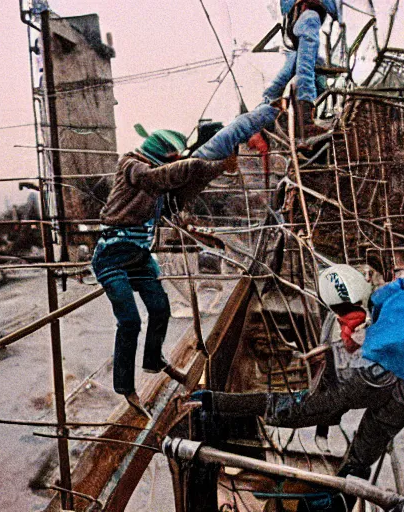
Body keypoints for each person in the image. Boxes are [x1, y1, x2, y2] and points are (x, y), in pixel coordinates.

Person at [191, 264, 404, 511]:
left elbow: (354, 338)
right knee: (363, 454)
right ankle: (339, 502)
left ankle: (214, 402)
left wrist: (337, 356)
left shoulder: (376, 322)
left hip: (380, 373)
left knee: (300, 408)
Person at [92, 128, 237, 416]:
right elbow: (155, 179)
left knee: (160, 309)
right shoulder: (132, 165)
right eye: (173, 157)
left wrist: (218, 167)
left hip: (141, 256)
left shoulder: (159, 179)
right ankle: (126, 388)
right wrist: (197, 163)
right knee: (130, 322)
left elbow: (179, 192)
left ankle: (153, 359)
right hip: (112, 256)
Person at [192, 0, 339, 160]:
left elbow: (293, 77)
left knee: (242, 125)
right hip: (286, 108)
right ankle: (195, 161)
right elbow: (302, 71)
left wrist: (302, 111)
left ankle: (196, 160)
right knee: (243, 125)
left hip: (286, 108)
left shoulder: (305, 27)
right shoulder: (308, 23)